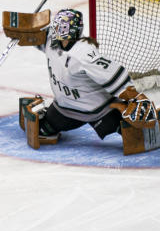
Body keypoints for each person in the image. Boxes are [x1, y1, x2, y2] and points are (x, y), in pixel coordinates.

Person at [33, 9, 151, 142]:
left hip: (99, 110)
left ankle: (133, 126)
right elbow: (33, 37)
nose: (57, 29)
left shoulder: (84, 54)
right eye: (57, 25)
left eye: (62, 26)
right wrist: (25, 30)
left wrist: (137, 97)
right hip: (66, 109)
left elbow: (112, 74)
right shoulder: (51, 42)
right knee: (41, 129)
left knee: (137, 137)